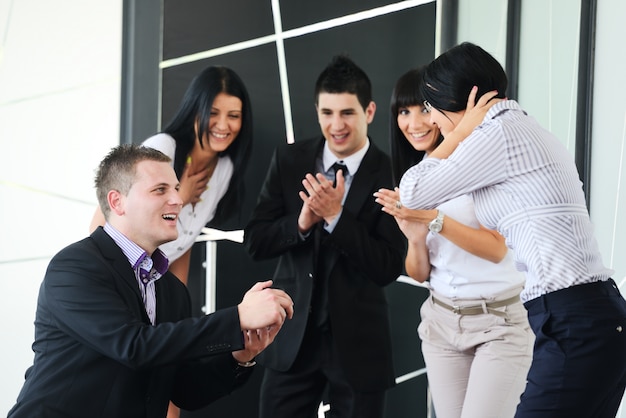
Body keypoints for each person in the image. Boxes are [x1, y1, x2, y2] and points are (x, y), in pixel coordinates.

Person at [398, 42, 626, 417]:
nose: (433, 122)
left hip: (573, 321)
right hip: (586, 316)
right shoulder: (518, 128)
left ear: (459, 101)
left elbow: (413, 191)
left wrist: (458, 134)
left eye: (431, 108)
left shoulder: (498, 134)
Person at [8, 144, 293, 418]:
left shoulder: (172, 290)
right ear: (117, 202)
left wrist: (240, 355)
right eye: (160, 190)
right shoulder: (75, 266)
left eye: (176, 189)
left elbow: (186, 392)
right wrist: (237, 319)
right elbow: (133, 346)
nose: (178, 200)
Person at [243, 55, 405, 418]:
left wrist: (335, 216)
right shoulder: (289, 159)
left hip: (360, 346)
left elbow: (388, 267)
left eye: (347, 112)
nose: (337, 125)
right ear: (317, 111)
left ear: (370, 111)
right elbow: (255, 241)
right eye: (327, 113)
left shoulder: (394, 171)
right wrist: (300, 223)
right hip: (291, 339)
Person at [373, 67, 533, 418]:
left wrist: (432, 219)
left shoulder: (477, 160)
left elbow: (495, 249)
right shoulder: (417, 176)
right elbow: (419, 274)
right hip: (441, 322)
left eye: (425, 109)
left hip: (499, 322)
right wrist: (416, 239)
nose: (415, 122)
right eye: (404, 111)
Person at [90, 65, 252, 285]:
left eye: (233, 116)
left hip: (154, 286)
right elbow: (101, 223)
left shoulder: (225, 169)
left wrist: (179, 302)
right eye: (212, 113)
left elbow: (184, 241)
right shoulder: (163, 148)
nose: (223, 125)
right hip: (118, 278)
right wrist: (180, 197)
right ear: (194, 109)